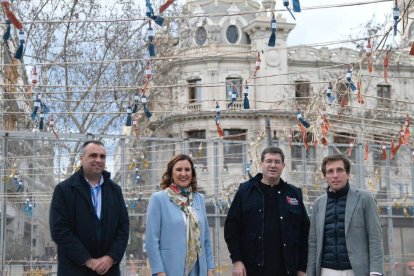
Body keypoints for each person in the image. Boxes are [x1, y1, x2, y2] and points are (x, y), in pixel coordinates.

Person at [224, 146, 310, 276]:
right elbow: (231, 228)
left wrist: (301, 269)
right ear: (261, 164)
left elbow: (304, 234)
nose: (273, 165)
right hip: (252, 269)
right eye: (269, 161)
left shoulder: (294, 193)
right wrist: (237, 260)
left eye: (277, 162)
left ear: (283, 165)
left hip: (286, 270)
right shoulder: (245, 191)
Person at [50, 140, 129, 276]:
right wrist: (88, 260)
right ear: (82, 158)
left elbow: (123, 227)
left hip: (108, 270)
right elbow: (59, 230)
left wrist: (110, 258)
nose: (98, 160)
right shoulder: (64, 190)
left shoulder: (115, 191)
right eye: (93, 155)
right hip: (74, 270)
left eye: (102, 156)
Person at [307, 154, 384, 276]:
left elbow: (375, 237)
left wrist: (376, 272)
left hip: (357, 271)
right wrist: (310, 273)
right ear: (325, 177)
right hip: (326, 271)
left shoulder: (365, 199)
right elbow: (313, 243)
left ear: (348, 174)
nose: (335, 175)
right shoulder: (318, 204)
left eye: (340, 170)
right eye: (330, 171)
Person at [145, 154, 215, 276]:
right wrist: (159, 271)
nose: (183, 173)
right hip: (170, 269)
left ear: (192, 173)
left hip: (199, 269)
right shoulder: (158, 199)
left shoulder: (199, 199)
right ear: (171, 174)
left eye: (187, 170)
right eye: (178, 170)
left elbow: (206, 239)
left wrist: (210, 268)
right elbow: (151, 240)